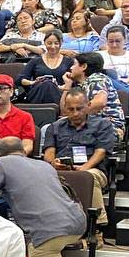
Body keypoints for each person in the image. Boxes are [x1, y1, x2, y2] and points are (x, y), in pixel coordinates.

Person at [43, 88, 115, 231]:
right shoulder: (55, 127)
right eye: (70, 109)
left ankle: (96, 228)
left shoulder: (102, 125)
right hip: (61, 170)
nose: (75, 113)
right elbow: (49, 152)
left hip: (93, 169)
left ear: (88, 105)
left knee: (89, 177)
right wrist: (54, 163)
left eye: (79, 108)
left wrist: (84, 168)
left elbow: (101, 152)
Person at [20, 30, 73, 103]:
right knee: (46, 84)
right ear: (44, 43)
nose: (53, 46)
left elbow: (74, 82)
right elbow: (21, 79)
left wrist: (62, 87)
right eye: (49, 43)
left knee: (49, 85)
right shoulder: (35, 61)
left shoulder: (69, 61)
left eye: (56, 43)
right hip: (38, 93)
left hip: (60, 94)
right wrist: (33, 82)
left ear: (61, 43)